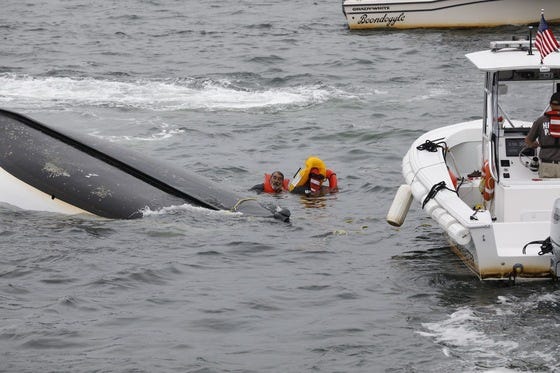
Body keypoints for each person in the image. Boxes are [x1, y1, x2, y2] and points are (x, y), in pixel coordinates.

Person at [525, 92, 560, 178]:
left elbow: (528, 141)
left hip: (547, 166)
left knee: (548, 191)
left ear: (550, 104)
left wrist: (534, 145)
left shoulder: (541, 121)